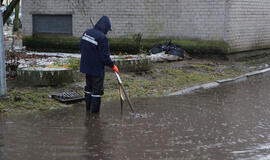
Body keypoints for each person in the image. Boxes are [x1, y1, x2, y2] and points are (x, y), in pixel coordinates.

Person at [80, 16, 119, 113]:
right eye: (107, 30)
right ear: (105, 27)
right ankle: (94, 116)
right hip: (96, 69)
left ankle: (88, 110)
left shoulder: (87, 32)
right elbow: (105, 57)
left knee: (88, 88)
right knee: (97, 91)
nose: (107, 32)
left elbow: (81, 46)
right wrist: (112, 65)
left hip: (86, 66)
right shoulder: (102, 38)